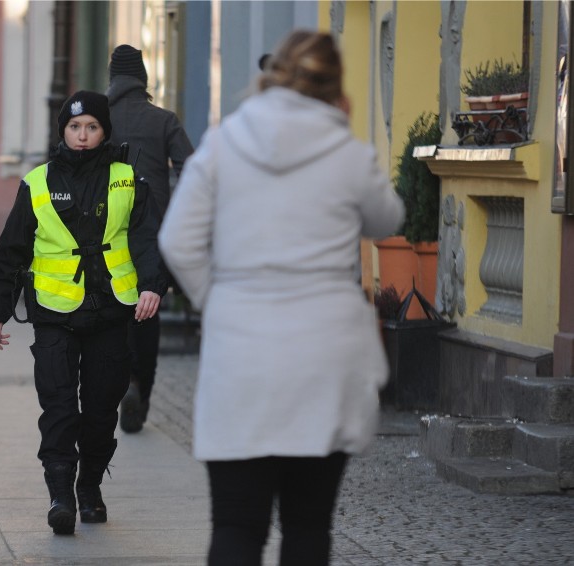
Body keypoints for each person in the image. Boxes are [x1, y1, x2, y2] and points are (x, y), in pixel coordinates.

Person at [158, 30, 404, 565]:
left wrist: (217, 301)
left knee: (237, 526)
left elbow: (177, 240)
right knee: (309, 527)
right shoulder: (347, 152)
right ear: (336, 90)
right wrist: (346, 124)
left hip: (242, 355)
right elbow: (390, 217)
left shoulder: (223, 145)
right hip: (324, 356)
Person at [0, 90, 166, 535]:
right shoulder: (37, 183)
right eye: (74, 128)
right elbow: (12, 249)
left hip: (111, 312)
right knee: (59, 408)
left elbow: (147, 239)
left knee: (101, 410)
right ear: (62, 131)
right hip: (54, 314)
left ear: (105, 132)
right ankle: (61, 493)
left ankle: (89, 486)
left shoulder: (129, 180)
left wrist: (152, 286)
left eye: (92, 128)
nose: (82, 136)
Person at [105, 44, 194, 433]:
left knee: (112, 311)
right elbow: (192, 166)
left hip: (106, 229)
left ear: (112, 79)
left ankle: (120, 381)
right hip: (153, 231)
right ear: (142, 80)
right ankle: (142, 387)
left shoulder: (98, 119)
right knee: (148, 309)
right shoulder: (163, 120)